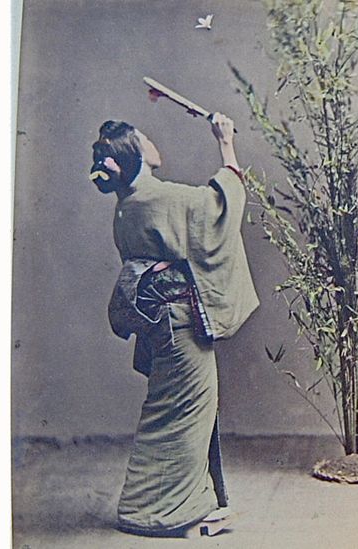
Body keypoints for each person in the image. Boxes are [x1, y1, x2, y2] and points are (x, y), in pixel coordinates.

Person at [89, 113, 259, 537]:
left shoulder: (128, 204)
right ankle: (167, 513)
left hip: (159, 322)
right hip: (179, 324)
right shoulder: (157, 197)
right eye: (144, 138)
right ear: (136, 153)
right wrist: (225, 143)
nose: (152, 141)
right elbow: (220, 207)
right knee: (184, 415)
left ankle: (159, 505)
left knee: (173, 412)